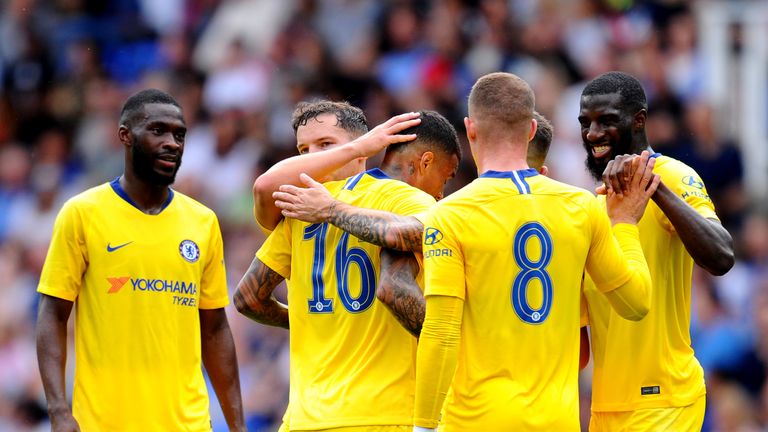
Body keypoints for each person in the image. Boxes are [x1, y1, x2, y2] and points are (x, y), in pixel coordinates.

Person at [412, 72, 658, 431]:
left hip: (477, 420)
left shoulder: (449, 216)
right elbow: (635, 303)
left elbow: (442, 331)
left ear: (470, 129)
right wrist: (625, 224)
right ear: (531, 130)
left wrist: (422, 425)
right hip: (556, 421)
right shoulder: (581, 206)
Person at [234, 108, 461, 431]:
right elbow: (425, 244)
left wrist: (313, 319)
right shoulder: (405, 200)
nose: (312, 159)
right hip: (382, 416)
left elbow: (247, 298)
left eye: (325, 145)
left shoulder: (302, 210)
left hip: (303, 419)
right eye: (303, 151)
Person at [35, 89, 245, 432]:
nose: (172, 143)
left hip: (187, 424)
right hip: (104, 423)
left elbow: (216, 329)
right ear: (125, 136)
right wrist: (58, 410)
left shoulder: (203, 222)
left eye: (179, 135)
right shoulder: (82, 213)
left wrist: (238, 427)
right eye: (158, 130)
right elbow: (52, 314)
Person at [272, 109, 556, 337]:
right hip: (389, 403)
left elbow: (248, 299)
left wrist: (311, 322)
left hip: (306, 406)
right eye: (446, 177)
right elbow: (393, 288)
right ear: (426, 162)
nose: (441, 193)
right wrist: (454, 346)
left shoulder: (307, 201)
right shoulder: (412, 203)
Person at [578, 71, 735, 431]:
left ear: (639, 120)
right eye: (585, 123)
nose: (593, 134)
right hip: (607, 406)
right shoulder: (594, 203)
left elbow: (722, 255)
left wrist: (654, 187)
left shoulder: (674, 176)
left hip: (664, 399)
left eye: (606, 121)